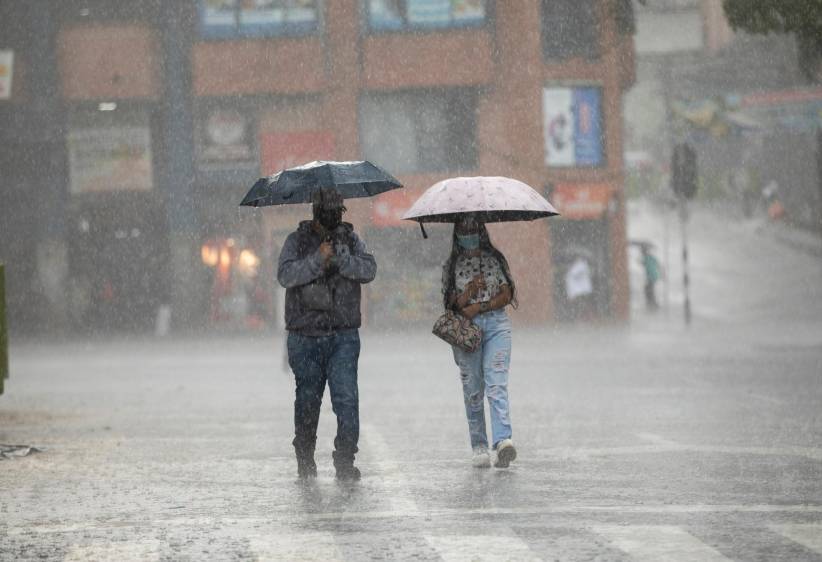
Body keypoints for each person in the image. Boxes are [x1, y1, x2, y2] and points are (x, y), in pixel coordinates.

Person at [277, 188, 377, 480]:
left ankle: (345, 460)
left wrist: (342, 259)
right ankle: (305, 458)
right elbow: (285, 275)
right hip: (305, 336)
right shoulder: (295, 241)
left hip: (343, 335)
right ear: (315, 210)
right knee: (307, 401)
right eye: (328, 208)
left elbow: (369, 269)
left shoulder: (351, 239)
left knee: (346, 399)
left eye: (338, 208)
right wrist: (316, 260)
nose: (334, 214)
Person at [441, 216, 517, 469]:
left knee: (496, 384)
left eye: (473, 229)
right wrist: (469, 292)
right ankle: (479, 446)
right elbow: (451, 305)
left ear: (480, 230)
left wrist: (483, 305)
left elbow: (507, 294)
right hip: (467, 331)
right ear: (457, 233)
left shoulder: (495, 259)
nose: (469, 233)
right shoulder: (451, 265)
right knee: (473, 390)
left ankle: (503, 440)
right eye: (464, 230)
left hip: (497, 326)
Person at [640, 245, 660, 310]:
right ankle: (652, 302)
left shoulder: (646, 257)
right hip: (654, 275)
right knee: (649, 288)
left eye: (642, 251)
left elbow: (643, 263)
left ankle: (651, 302)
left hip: (651, 276)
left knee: (648, 289)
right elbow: (657, 263)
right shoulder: (650, 257)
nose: (641, 252)